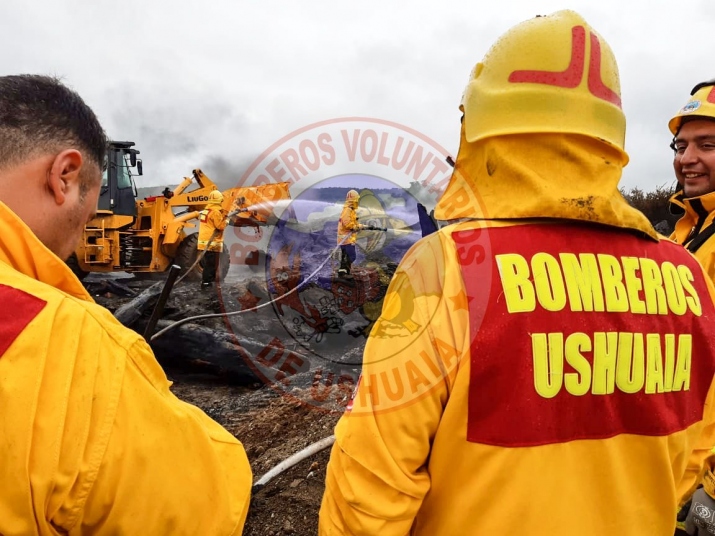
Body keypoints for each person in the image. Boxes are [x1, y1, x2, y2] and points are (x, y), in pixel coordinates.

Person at [318, 11, 715, 535]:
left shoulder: (449, 266)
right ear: (609, 142)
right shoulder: (687, 274)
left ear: (484, 131)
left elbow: (370, 485)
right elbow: (693, 450)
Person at [0, 75, 251, 534]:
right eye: (92, 200)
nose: (86, 225)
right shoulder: (71, 344)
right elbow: (199, 509)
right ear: (65, 176)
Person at [666, 80, 715, 535]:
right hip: (674, 466)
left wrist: (711, 487)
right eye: (682, 145)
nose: (687, 158)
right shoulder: (682, 232)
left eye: (707, 145)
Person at [198, 188, 228, 288]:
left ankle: (209, 282)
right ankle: (206, 283)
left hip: (204, 242)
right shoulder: (215, 212)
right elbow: (220, 226)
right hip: (212, 243)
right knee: (211, 265)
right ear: (219, 200)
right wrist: (227, 221)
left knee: (210, 263)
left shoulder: (206, 210)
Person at [336, 189, 366, 276]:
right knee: (351, 256)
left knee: (345, 257)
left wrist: (360, 226)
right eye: (357, 199)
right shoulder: (348, 210)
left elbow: (352, 223)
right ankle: (343, 273)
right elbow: (347, 224)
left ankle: (344, 273)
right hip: (346, 240)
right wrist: (356, 227)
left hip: (346, 240)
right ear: (354, 200)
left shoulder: (350, 210)